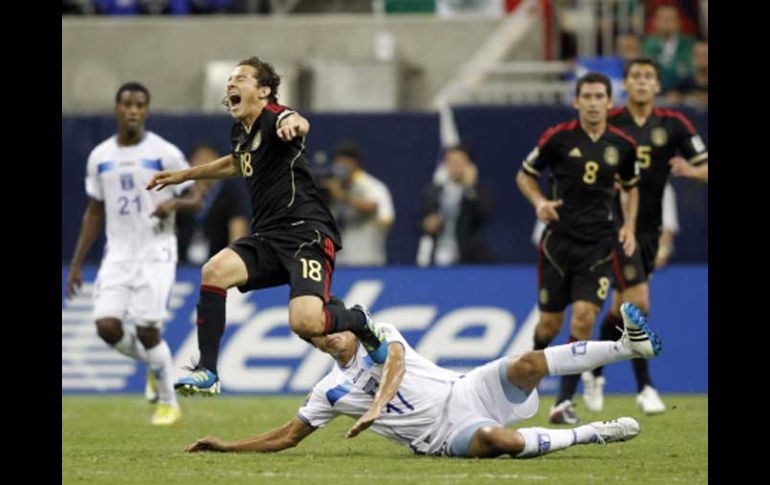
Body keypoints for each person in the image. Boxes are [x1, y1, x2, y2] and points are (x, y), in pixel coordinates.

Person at [146, 57, 389, 396]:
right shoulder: (240, 131)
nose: (231, 84)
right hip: (268, 236)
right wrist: (185, 175)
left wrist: (294, 122)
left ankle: (359, 320)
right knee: (214, 271)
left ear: (264, 92)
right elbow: (235, 162)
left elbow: (297, 121)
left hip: (307, 234)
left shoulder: (275, 117)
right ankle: (208, 371)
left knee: (305, 323)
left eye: (241, 79)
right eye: (229, 79)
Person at [185, 301, 661, 458]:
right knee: (502, 441)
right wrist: (227, 447)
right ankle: (592, 434)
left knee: (527, 362)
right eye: (317, 339)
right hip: (442, 436)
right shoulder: (328, 391)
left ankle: (627, 347)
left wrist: (376, 406)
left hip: (466, 388)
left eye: (329, 331)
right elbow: (288, 436)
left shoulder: (378, 333)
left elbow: (393, 361)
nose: (325, 340)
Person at [66, 82, 202, 425]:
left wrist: (174, 202)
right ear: (117, 108)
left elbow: (196, 196)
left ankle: (169, 402)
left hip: (156, 251)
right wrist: (77, 264)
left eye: (140, 105)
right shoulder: (100, 157)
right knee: (106, 327)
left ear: (146, 110)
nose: (133, 111)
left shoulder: (164, 153)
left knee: (146, 329)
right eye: (127, 104)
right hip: (118, 254)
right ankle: (154, 365)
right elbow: (94, 210)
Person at [582, 58, 708, 414]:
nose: (641, 82)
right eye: (635, 76)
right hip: (616, 226)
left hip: (650, 229)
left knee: (621, 309)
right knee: (640, 302)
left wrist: (691, 171)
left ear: (657, 86)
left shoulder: (673, 124)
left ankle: (594, 366)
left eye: (648, 76)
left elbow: (706, 167)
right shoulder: (613, 122)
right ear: (625, 84)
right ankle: (646, 387)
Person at [515, 72, 641, 424]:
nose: (593, 102)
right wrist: (539, 201)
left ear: (609, 101)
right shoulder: (558, 139)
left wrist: (629, 225)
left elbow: (632, 187)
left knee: (584, 319)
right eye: (586, 96)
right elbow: (524, 175)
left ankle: (563, 402)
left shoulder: (623, 145)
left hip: (599, 245)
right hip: (558, 244)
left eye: (599, 96)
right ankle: (530, 375)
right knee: (549, 325)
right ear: (576, 101)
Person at [320, 141, 395, 266]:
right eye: (337, 161)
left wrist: (343, 196)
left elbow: (375, 210)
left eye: (344, 161)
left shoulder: (372, 186)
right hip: (337, 257)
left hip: (366, 257)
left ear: (355, 163)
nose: (340, 165)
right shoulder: (332, 187)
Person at [176, 144, 251, 264]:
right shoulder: (181, 195)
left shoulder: (229, 194)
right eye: (199, 159)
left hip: (219, 265)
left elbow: (238, 228)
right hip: (182, 266)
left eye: (209, 159)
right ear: (190, 164)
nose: (204, 165)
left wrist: (233, 262)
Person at [418, 145, 492, 266]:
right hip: (437, 256)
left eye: (460, 162)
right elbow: (418, 222)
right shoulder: (432, 191)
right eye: (451, 162)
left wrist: (470, 189)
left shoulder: (479, 191)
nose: (455, 167)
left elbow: (484, 214)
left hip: (470, 258)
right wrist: (427, 224)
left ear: (470, 165)